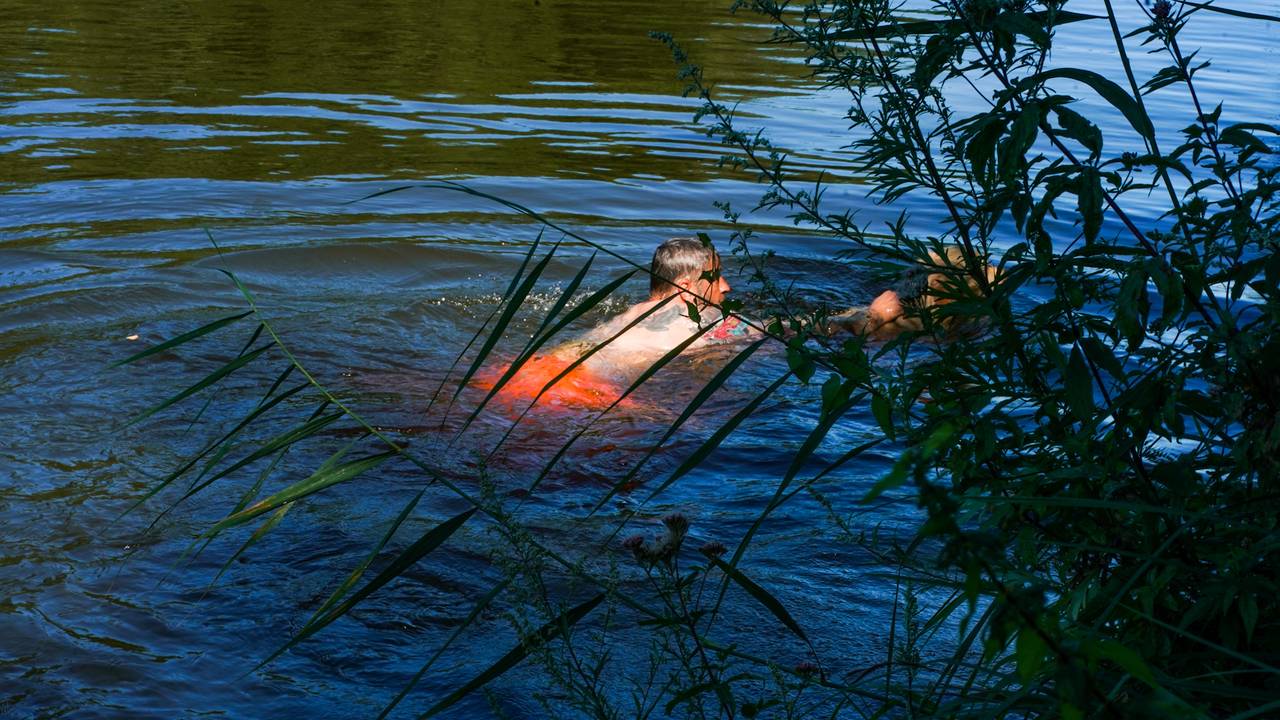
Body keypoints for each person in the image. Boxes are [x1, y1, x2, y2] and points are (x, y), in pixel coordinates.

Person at [485, 236, 755, 409]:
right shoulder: (701, 319)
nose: (726, 287)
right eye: (716, 277)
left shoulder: (633, 312)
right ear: (685, 288)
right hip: (574, 390)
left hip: (522, 370)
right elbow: (766, 336)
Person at [826, 246, 1000, 338]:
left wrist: (875, 315)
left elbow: (820, 332)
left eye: (915, 274)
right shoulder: (979, 325)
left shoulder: (901, 320)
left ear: (940, 290)